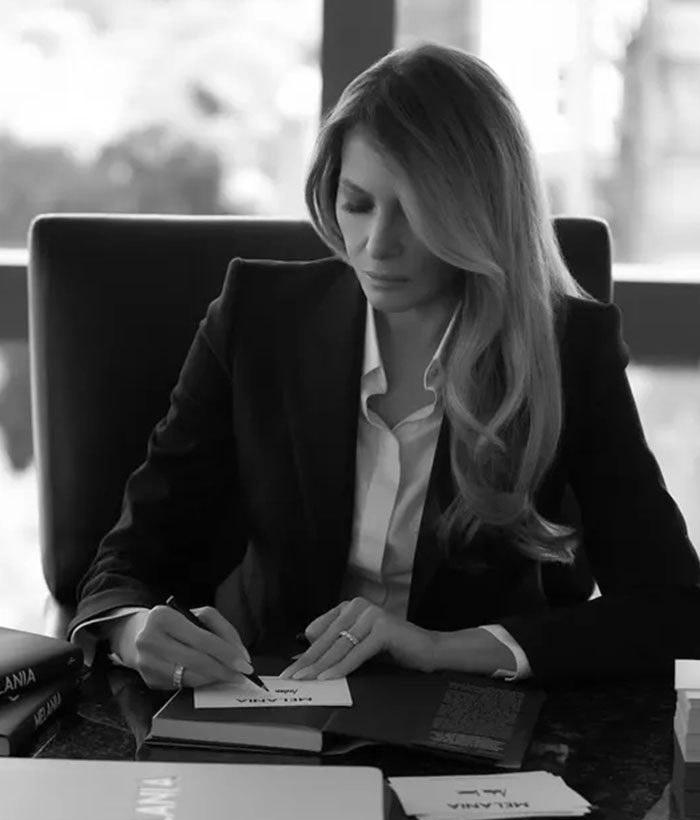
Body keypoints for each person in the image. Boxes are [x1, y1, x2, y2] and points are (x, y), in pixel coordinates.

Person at [68, 42, 700, 691]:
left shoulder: (570, 352)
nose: (377, 245)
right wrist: (130, 628)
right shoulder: (256, 318)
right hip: (264, 689)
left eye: (417, 212)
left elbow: (674, 608)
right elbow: (130, 556)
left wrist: (443, 648)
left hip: (470, 712)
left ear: (477, 215)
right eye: (358, 203)